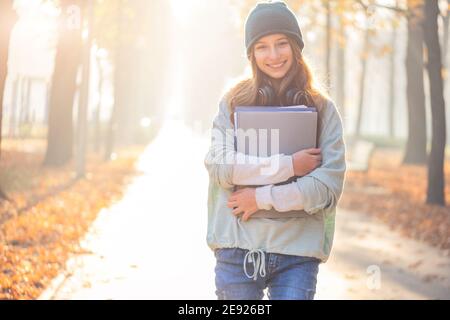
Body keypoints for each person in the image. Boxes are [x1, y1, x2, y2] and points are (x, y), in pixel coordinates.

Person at [204, 1, 346, 300]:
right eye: (262, 47)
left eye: (282, 44)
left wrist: (260, 198)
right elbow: (219, 166)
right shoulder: (232, 101)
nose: (273, 55)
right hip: (236, 248)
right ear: (252, 54)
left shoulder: (323, 109)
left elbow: (326, 187)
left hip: (297, 253)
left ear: (296, 47)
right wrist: (289, 166)